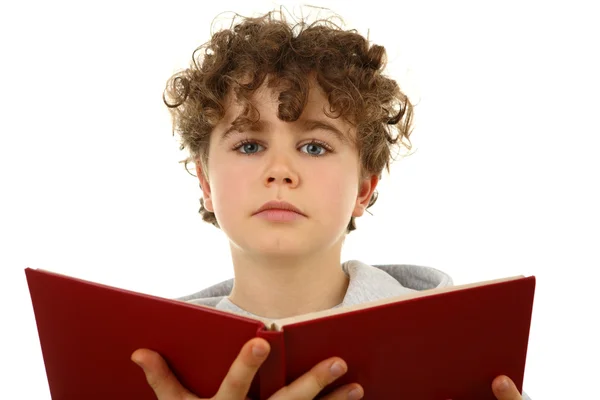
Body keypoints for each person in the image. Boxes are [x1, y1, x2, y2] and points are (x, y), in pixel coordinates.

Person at [130, 9, 530, 400]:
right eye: (249, 145)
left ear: (363, 188)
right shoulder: (148, 370)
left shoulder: (461, 355)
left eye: (315, 147)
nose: (280, 171)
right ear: (206, 183)